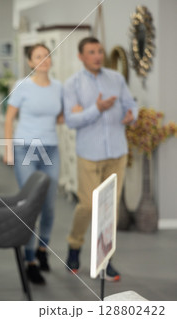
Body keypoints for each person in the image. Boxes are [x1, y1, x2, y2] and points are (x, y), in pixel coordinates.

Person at [64, 37, 138, 281]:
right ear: (81, 56)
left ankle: (106, 260)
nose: (97, 55)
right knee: (88, 205)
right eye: (91, 52)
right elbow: (72, 120)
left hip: (117, 151)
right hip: (89, 153)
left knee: (110, 208)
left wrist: (131, 115)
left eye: (99, 51)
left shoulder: (115, 79)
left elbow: (130, 103)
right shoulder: (72, 84)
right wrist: (98, 108)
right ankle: (74, 246)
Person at [4, 44, 63, 285]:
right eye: (39, 56)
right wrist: (8, 150)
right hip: (26, 148)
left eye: (47, 55)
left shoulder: (59, 87)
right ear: (30, 62)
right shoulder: (21, 86)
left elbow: (61, 115)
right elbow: (9, 119)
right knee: (31, 205)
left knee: (49, 205)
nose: (44, 60)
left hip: (51, 148)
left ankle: (42, 249)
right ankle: (29, 260)